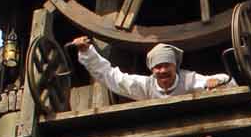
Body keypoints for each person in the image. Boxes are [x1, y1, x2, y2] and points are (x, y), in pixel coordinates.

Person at [70, 38, 233, 99]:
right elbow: (110, 76)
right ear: (152, 70)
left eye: (166, 66)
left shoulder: (189, 80)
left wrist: (218, 81)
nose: (162, 71)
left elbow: (222, 80)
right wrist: (87, 52)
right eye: (158, 67)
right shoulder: (145, 86)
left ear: (175, 66)